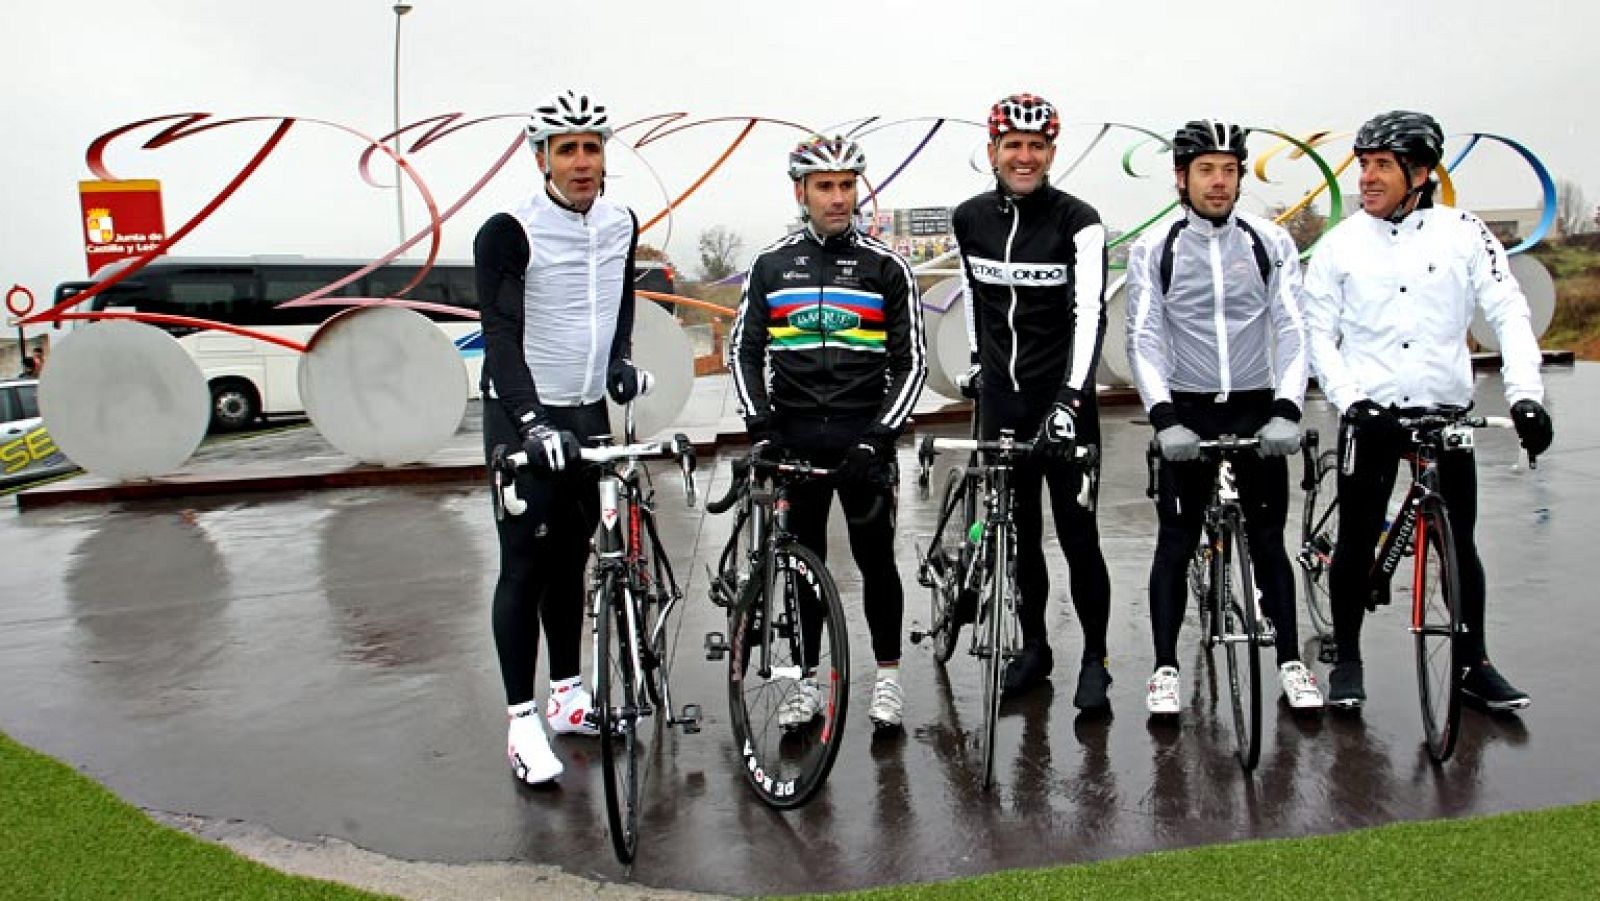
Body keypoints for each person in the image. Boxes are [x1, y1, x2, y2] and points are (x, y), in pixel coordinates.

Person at [1304, 110, 1554, 710]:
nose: (1366, 177)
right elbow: (1316, 333)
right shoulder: (1340, 244)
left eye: (1381, 166)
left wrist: (1526, 395)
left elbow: (1508, 311)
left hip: (1446, 412)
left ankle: (1474, 665)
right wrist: (1352, 402)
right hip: (1372, 413)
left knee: (1459, 544)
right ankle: (1348, 658)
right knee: (1360, 536)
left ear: (1419, 172)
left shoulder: (1464, 233)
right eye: (1362, 164)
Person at [474, 89, 652, 785]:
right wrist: (528, 420)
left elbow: (619, 300)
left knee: (574, 559)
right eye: (568, 148)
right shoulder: (508, 229)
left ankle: (569, 697)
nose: (582, 162)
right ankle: (521, 722)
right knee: (524, 564)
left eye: (592, 147)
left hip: (584, 412)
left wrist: (619, 362)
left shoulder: (620, 222)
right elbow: (499, 333)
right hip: (523, 412)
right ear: (541, 155)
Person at [729, 135, 927, 732]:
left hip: (862, 441)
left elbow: (911, 362)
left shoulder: (886, 267)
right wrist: (761, 428)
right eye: (825, 187)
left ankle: (887, 679)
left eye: (847, 185)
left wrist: (880, 436)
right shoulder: (770, 266)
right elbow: (744, 351)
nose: (838, 198)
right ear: (801, 192)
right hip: (793, 441)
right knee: (801, 564)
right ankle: (805, 683)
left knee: (875, 562)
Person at [1126, 119, 1324, 716]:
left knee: (1267, 540)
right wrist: (1163, 419)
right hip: (1186, 407)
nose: (1220, 182)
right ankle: (1164, 669)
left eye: (1230, 170)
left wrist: (1287, 409)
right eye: (1207, 170)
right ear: (1182, 178)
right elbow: (1143, 337)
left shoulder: (1269, 242)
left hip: (1257, 404)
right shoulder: (1154, 249)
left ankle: (1291, 661)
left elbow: (1293, 328)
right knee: (1176, 539)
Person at [950, 93, 1114, 709]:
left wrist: (1071, 397)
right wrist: (974, 361)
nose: (1024, 157)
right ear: (992, 150)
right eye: (1013, 146)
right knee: (1017, 533)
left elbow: (1089, 313)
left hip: (1062, 400)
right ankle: (1036, 645)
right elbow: (970, 295)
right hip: (1002, 401)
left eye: (1036, 146)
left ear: (1051, 152)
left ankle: (1096, 660)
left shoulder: (1079, 220)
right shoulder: (968, 219)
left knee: (1077, 536)